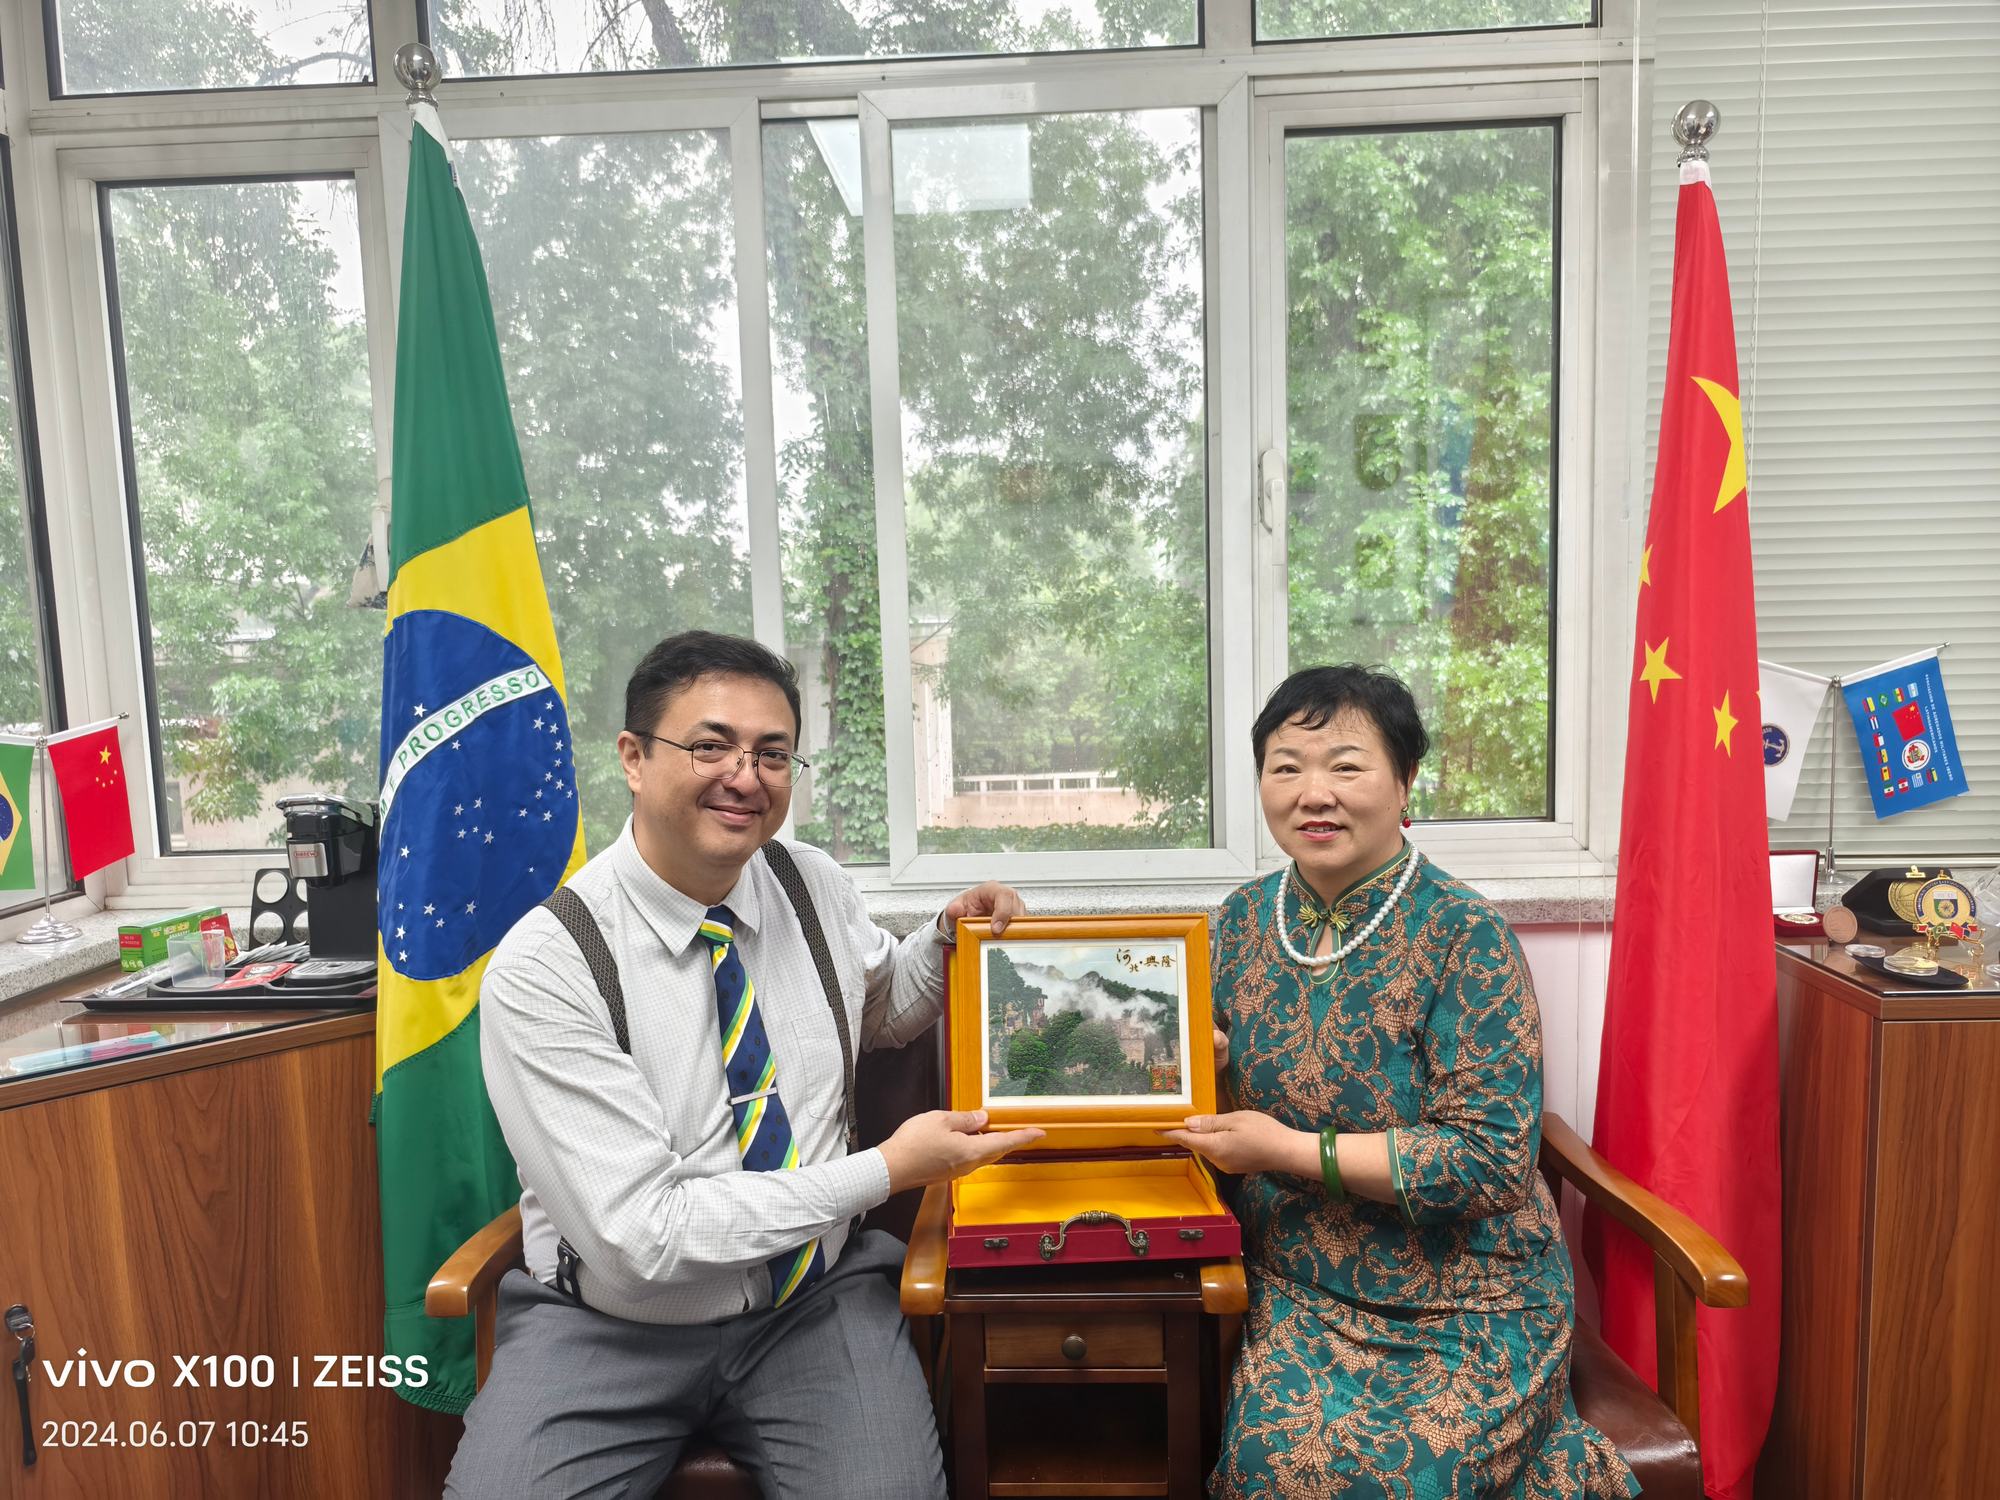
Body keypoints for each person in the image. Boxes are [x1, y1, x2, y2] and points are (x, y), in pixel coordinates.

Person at [447, 630, 1043, 1499]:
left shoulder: (811, 883)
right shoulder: (548, 965)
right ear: (633, 758)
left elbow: (877, 1007)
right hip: (609, 1323)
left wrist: (948, 940)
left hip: (815, 1306)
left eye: (772, 754)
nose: (745, 777)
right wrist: (886, 1170)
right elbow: (643, 1238)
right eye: (710, 746)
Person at [1163, 665, 1638, 1499]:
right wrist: (1204, 1062)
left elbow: (1491, 1161)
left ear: (1405, 780)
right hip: (1302, 1284)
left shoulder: (1466, 935)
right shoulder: (1238, 923)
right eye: (1286, 767)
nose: (1314, 793)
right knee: (1271, 1471)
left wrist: (1287, 1149)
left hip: (1472, 1297)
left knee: (1401, 1478)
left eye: (1345, 766)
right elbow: (1189, 1074)